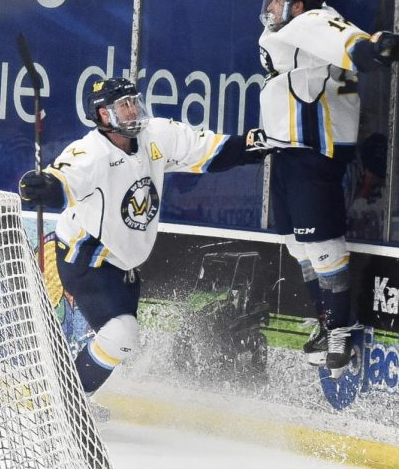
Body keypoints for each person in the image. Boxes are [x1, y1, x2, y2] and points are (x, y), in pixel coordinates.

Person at [19, 76, 268, 395]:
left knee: (123, 339)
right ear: (104, 115)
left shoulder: (158, 134)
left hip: (124, 266)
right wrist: (44, 187)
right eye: (123, 105)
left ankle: (71, 397)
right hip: (87, 257)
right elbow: (63, 179)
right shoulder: (89, 153)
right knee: (120, 335)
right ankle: (69, 403)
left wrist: (251, 145)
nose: (133, 109)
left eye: (134, 101)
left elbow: (209, 152)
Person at [258, 0, 399, 378]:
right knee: (297, 245)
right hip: (288, 150)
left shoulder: (313, 20)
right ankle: (326, 322)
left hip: (314, 152)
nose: (270, 8)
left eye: (278, 1)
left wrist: (375, 49)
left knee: (323, 243)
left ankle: (340, 332)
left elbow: (349, 44)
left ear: (298, 5)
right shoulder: (304, 22)